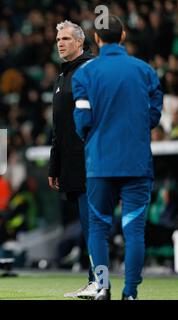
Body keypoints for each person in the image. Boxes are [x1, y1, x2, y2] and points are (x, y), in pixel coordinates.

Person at [72, 15, 163, 300]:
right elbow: (154, 116)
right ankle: (131, 293)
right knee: (134, 230)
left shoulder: (84, 74)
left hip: (100, 163)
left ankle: (103, 287)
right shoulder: (145, 71)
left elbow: (82, 120)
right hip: (137, 162)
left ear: (96, 39)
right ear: (123, 36)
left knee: (98, 228)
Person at [48, 20, 95, 298]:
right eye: (58, 40)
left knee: (92, 225)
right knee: (87, 224)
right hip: (71, 165)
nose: (61, 43)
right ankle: (95, 280)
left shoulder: (89, 71)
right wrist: (55, 165)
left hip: (90, 161)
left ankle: (98, 281)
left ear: (80, 42)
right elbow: (59, 127)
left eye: (66, 39)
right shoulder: (62, 77)